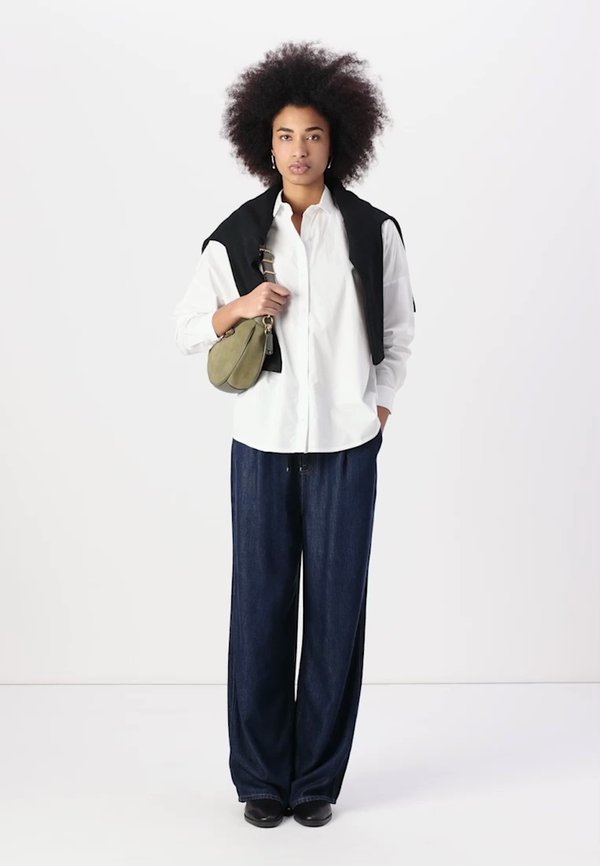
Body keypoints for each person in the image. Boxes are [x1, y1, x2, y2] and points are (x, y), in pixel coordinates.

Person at [172, 40, 416, 828]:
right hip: (262, 448)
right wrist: (243, 306)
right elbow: (188, 327)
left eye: (312, 135)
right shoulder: (239, 234)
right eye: (285, 136)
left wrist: (378, 409)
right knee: (261, 613)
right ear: (265, 144)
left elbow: (400, 333)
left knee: (337, 616)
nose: (299, 150)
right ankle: (260, 780)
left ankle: (314, 781)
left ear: (336, 140)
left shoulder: (372, 231)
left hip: (348, 449)